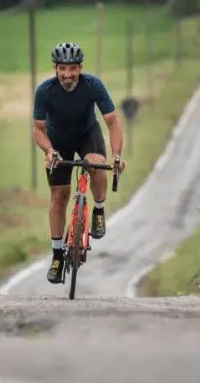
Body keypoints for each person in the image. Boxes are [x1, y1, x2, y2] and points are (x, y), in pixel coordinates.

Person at [32, 42, 126, 284]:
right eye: (62, 68)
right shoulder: (45, 91)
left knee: (95, 163)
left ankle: (98, 209)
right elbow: (38, 130)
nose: (67, 74)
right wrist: (50, 150)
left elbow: (113, 122)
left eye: (72, 68)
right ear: (55, 68)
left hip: (87, 134)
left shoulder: (93, 85)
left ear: (80, 68)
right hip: (57, 139)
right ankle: (56, 256)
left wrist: (116, 155)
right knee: (58, 195)